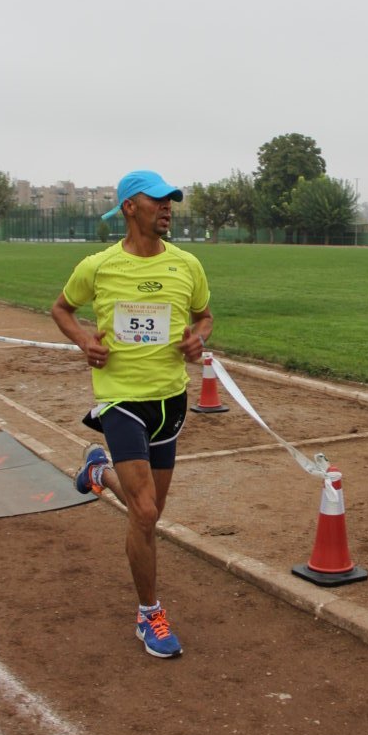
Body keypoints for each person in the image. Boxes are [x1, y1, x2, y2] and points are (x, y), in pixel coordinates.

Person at [51, 170, 213, 659]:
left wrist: (198, 338)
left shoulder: (187, 265)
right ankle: (149, 615)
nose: (167, 207)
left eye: (170, 200)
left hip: (170, 401)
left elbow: (204, 316)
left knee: (150, 514)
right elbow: (61, 309)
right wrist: (84, 341)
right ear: (129, 207)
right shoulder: (98, 266)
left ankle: (98, 472)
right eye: (157, 200)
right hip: (121, 400)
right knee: (143, 512)